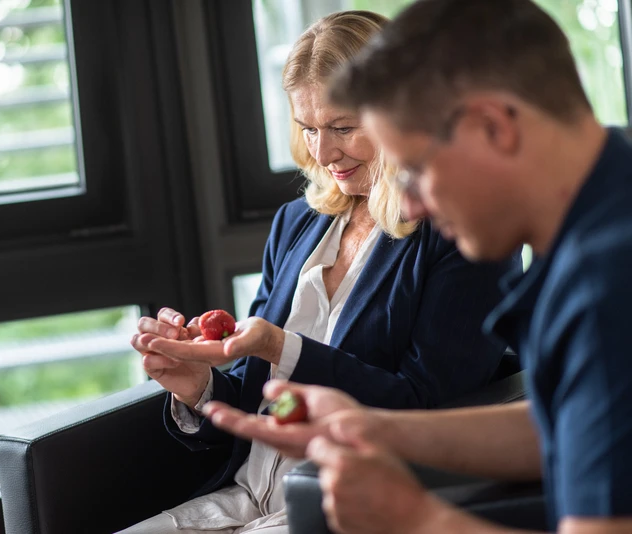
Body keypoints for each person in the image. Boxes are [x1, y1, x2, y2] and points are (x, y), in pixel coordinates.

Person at [204, 1, 632, 533]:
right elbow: (563, 426)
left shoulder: (605, 286)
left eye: (416, 171)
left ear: (494, 129)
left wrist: (414, 518)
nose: (409, 207)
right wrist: (377, 429)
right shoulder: (600, 203)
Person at [123, 10, 520, 534]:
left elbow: (427, 406)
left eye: (342, 127)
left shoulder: (459, 231)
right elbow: (260, 394)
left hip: (340, 502)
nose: (322, 152)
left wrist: (277, 347)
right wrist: (200, 387)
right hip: (244, 496)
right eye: (308, 128)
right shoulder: (297, 224)